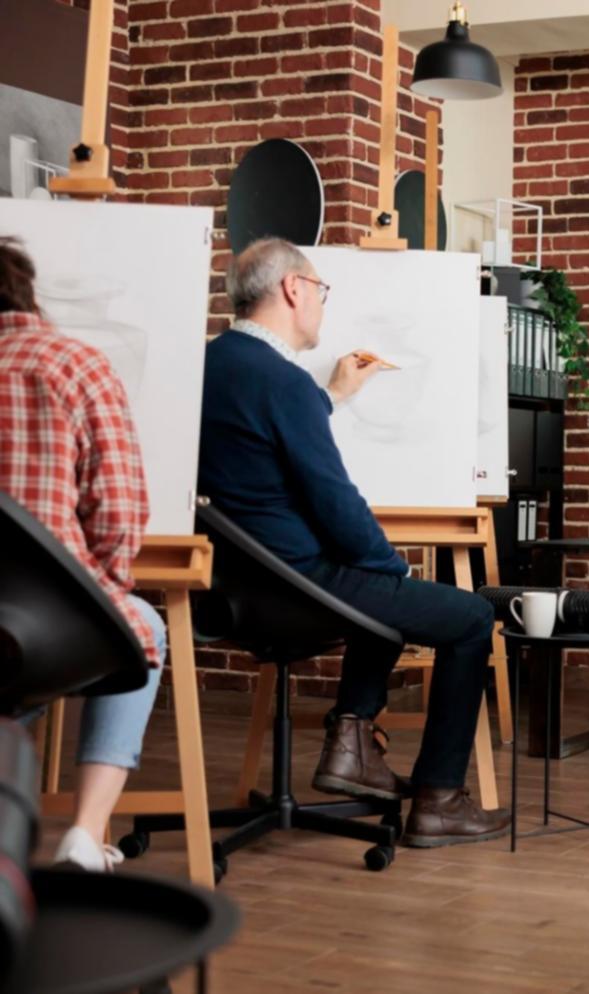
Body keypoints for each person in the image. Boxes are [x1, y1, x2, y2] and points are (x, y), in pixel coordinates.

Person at [197, 237, 508, 848]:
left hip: (234, 587)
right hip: (298, 586)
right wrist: (391, 567)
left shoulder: (211, 367)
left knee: (374, 580)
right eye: (320, 288)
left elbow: (262, 436)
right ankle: (438, 798)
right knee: (470, 616)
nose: (321, 302)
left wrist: (333, 396)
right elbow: (334, 501)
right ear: (292, 289)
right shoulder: (281, 382)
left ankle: (352, 744)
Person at [0, 238, 167, 872]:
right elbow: (120, 516)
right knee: (143, 625)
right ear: (25, 294)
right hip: (51, 629)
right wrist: (105, 588)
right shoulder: (76, 364)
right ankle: (85, 832)